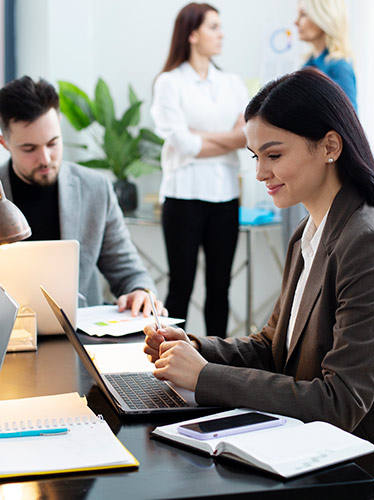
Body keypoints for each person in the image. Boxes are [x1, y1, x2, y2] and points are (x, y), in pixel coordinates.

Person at [144, 68, 374, 499]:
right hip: (313, 456)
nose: (260, 173)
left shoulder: (372, 242)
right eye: (255, 157)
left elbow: (340, 402)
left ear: (330, 146)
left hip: (373, 472)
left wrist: (204, 376)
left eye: (273, 155)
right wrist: (195, 348)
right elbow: (274, 348)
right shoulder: (308, 232)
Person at [0, 76, 165, 317]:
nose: (45, 159)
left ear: (59, 124)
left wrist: (141, 291)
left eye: (53, 143)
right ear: (3, 142)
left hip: (78, 337)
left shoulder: (95, 189)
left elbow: (129, 272)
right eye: (29, 149)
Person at [150, 2, 249, 338]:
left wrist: (199, 138)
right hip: (183, 197)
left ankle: (215, 367)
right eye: (213, 27)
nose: (221, 34)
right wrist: (229, 138)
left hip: (226, 196)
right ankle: (168, 360)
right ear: (192, 34)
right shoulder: (169, 83)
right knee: (181, 287)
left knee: (219, 289)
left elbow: (247, 135)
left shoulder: (233, 82)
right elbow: (180, 141)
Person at [283, 0, 358, 250]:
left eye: (303, 15)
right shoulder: (307, 67)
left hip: (324, 174)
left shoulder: (338, 67)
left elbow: (347, 127)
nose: (296, 22)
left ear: (323, 18)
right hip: (300, 165)